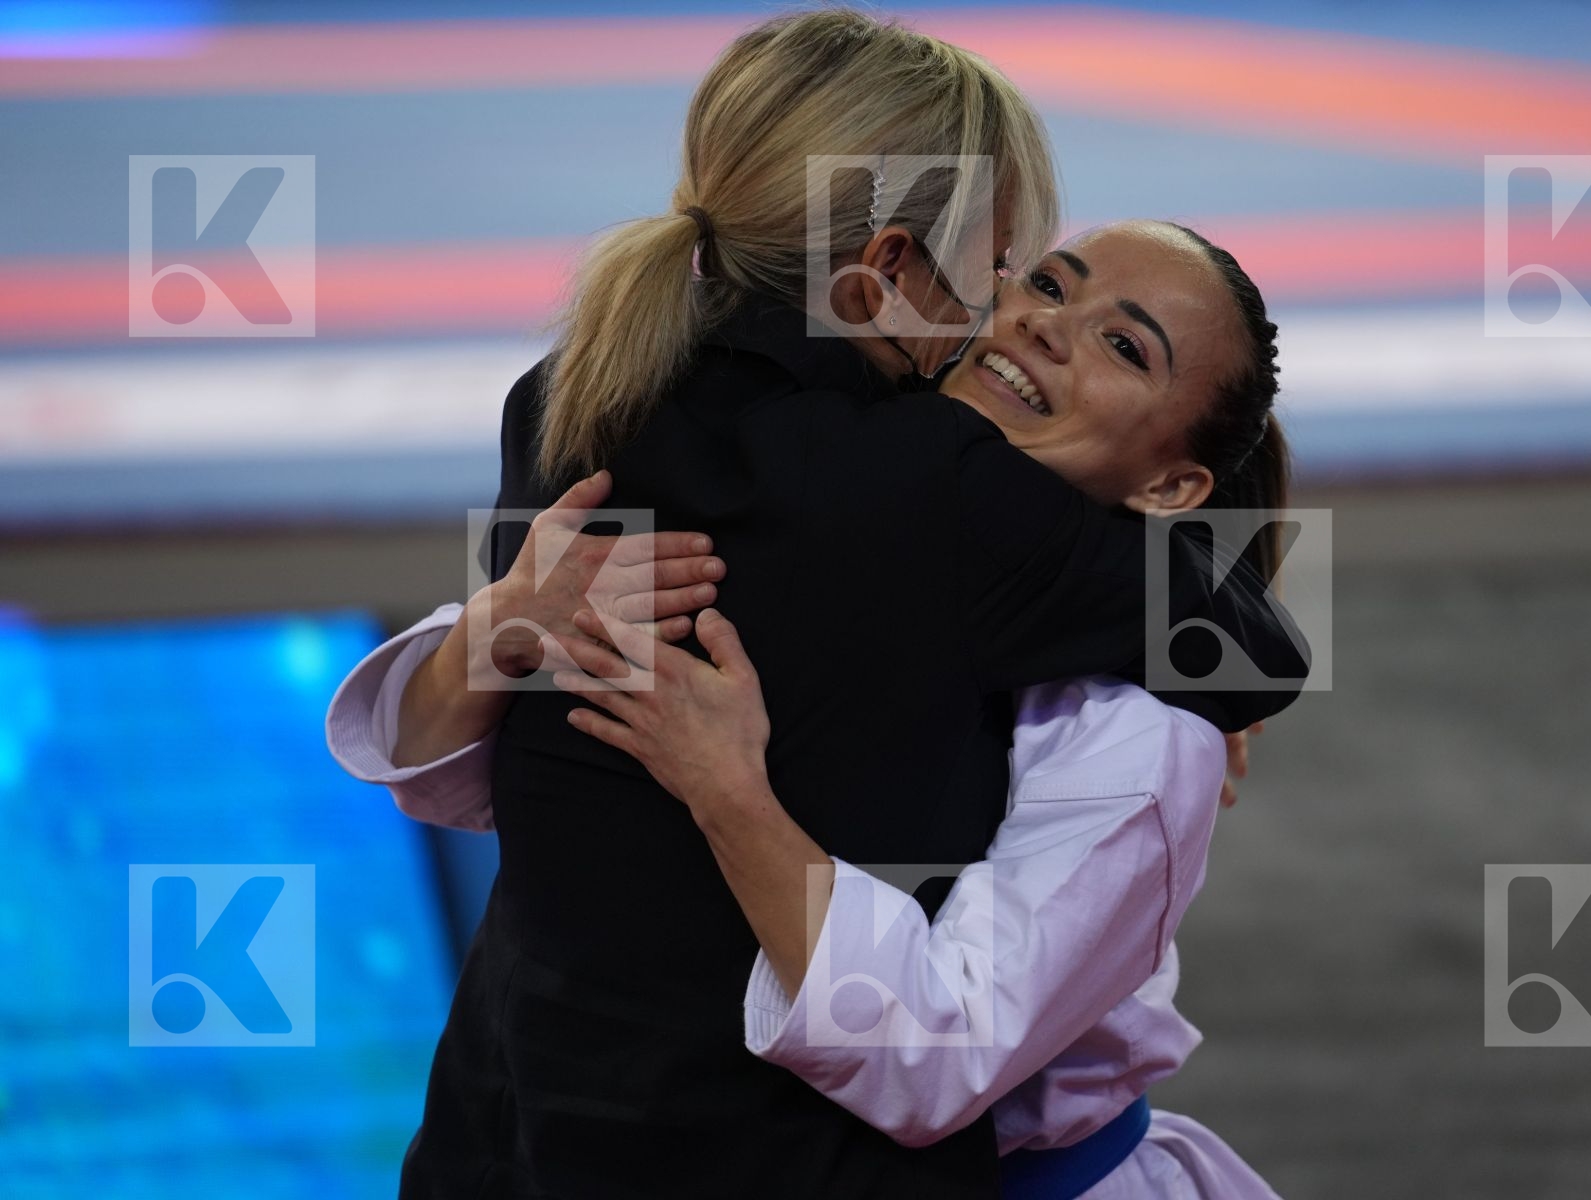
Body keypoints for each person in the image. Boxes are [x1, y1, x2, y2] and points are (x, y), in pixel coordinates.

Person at [329, 10, 1307, 1196]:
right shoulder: (933, 490)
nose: (1032, 314)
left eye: (1124, 346)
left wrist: (517, 639)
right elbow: (1256, 652)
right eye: (1027, 272)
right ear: (888, 269)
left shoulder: (574, 396)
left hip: (512, 1141)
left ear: (1175, 484)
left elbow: (470, 777)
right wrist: (517, 646)